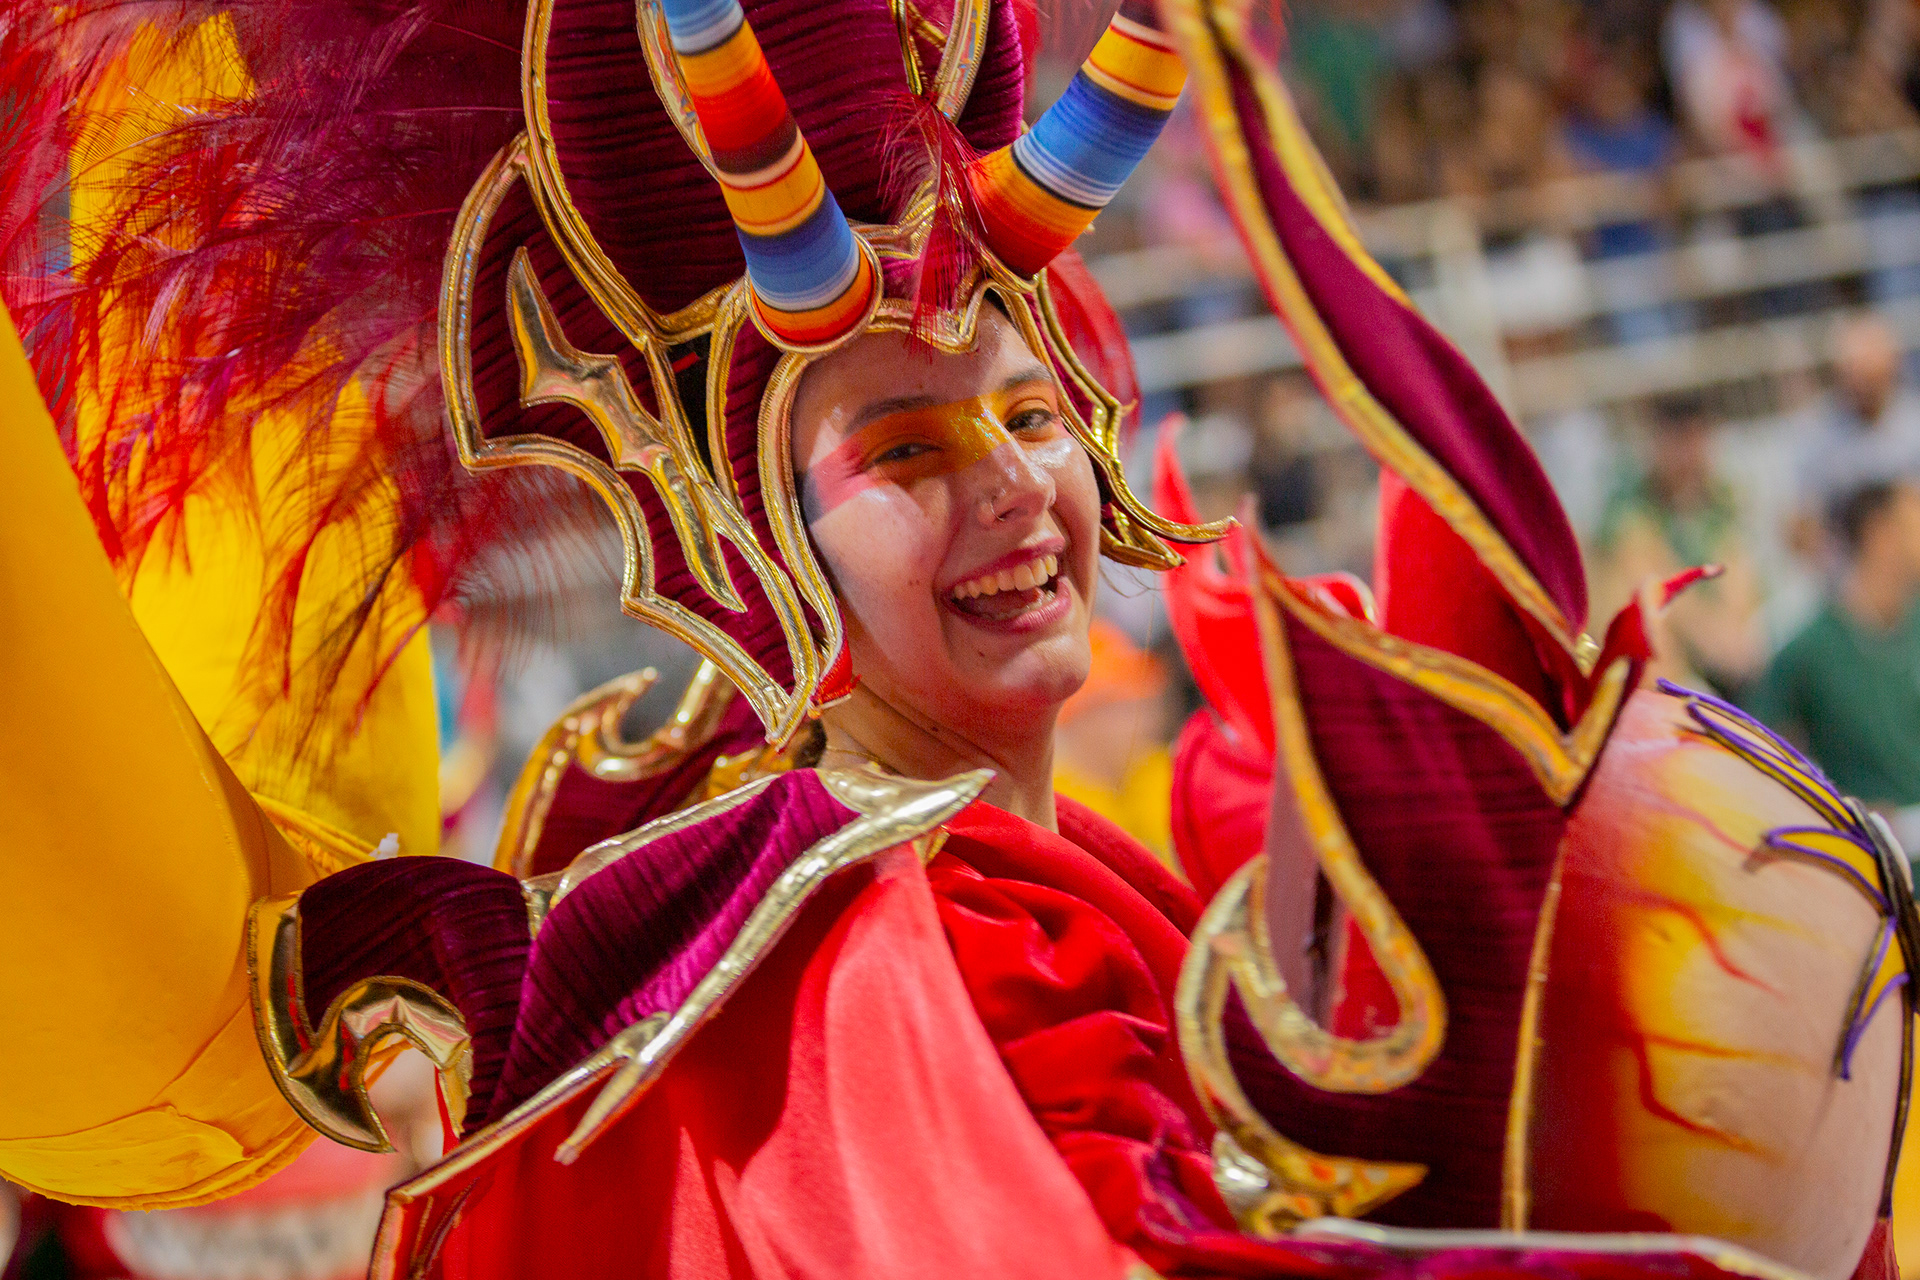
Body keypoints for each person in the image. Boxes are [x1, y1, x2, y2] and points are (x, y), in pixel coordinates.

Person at [0, 0, 1911, 1278]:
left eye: (1028, 416)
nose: (1011, 485)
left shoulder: (897, 891)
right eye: (906, 451)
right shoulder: (939, 952)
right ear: (765, 537)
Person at [1751, 479, 1920, 828]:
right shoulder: (1811, 649)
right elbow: (1754, 749)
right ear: (1880, 535)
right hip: (1869, 850)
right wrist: (1837, 812)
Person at [1590, 395, 1768, 697]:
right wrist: (1711, 635)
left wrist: (1733, 634)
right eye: (1678, 442)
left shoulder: (1721, 499)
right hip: (1674, 645)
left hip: (1722, 643)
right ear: (1658, 444)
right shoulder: (1631, 504)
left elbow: (1737, 572)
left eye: (1696, 440)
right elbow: (1652, 581)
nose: (1688, 456)